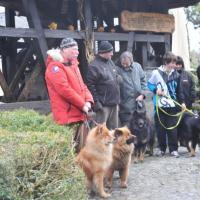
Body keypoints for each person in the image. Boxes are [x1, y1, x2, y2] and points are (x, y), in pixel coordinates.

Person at [45, 38, 94, 151]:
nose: (77, 52)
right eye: (74, 50)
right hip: (67, 117)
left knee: (81, 149)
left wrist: (88, 100)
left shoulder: (73, 65)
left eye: (77, 50)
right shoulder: (55, 67)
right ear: (64, 50)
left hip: (78, 114)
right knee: (70, 150)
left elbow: (83, 86)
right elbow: (64, 90)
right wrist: (82, 105)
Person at [148, 52, 181, 158]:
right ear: (166, 62)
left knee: (172, 128)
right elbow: (149, 84)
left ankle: (173, 149)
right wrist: (155, 89)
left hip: (172, 105)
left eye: (175, 63)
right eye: (172, 62)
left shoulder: (176, 74)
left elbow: (179, 90)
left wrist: (182, 102)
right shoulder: (156, 73)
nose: (174, 65)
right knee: (160, 128)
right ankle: (161, 149)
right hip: (160, 105)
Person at [87, 41, 120, 129]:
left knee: (114, 131)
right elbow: (90, 86)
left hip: (114, 103)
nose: (112, 54)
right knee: (101, 132)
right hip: (103, 106)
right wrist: (96, 102)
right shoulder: (94, 66)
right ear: (103, 52)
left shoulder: (110, 62)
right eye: (110, 52)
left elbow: (115, 76)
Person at [117, 51, 147, 126]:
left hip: (139, 107)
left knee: (139, 130)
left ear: (131, 61)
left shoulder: (138, 66)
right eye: (123, 63)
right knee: (127, 131)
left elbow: (143, 81)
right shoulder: (117, 70)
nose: (124, 65)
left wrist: (142, 94)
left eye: (126, 63)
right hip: (125, 108)